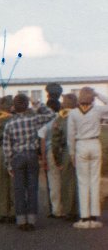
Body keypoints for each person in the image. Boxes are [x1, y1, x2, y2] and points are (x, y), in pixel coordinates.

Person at [3, 94, 56, 231]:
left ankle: (21, 220)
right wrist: (37, 103)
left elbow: (7, 146)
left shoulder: (10, 123)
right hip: (32, 155)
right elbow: (51, 114)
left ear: (14, 106)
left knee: (19, 189)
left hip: (17, 157)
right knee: (32, 188)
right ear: (27, 105)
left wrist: (9, 164)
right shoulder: (34, 119)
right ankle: (31, 220)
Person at [67, 87, 108, 229]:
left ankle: (84, 217)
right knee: (94, 180)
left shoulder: (73, 113)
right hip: (94, 143)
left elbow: (70, 135)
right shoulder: (97, 110)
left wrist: (72, 153)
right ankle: (94, 216)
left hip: (81, 145)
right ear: (92, 97)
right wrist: (98, 94)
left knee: (83, 181)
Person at [51, 93, 78, 221]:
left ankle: (69, 211)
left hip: (67, 151)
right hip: (82, 148)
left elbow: (55, 141)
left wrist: (57, 159)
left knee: (67, 182)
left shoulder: (60, 118)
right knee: (81, 181)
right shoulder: (81, 114)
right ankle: (82, 209)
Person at [38, 98, 62, 218]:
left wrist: (43, 159)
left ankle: (56, 209)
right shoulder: (64, 118)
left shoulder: (47, 123)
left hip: (51, 151)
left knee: (54, 182)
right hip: (65, 152)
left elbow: (42, 140)